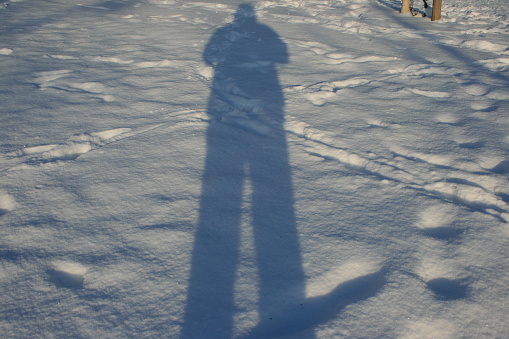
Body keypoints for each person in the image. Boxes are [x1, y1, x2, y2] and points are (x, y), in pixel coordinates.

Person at [181, 4, 308, 338]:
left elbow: (215, 56)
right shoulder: (258, 34)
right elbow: (281, 56)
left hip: (245, 101)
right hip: (259, 102)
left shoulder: (237, 35)